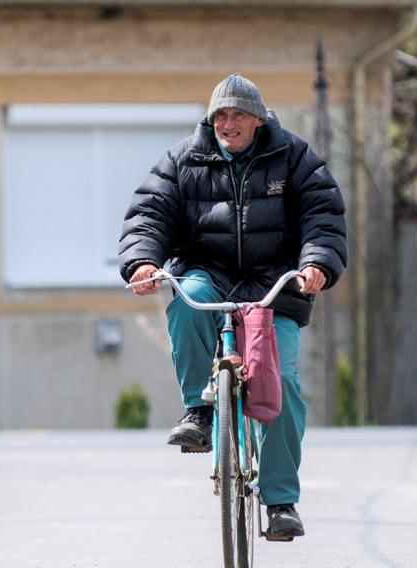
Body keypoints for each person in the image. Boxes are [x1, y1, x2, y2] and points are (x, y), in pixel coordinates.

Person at [118, 73, 347, 541]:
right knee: (188, 298)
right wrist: (142, 262)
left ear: (258, 120)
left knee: (279, 380)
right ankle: (198, 414)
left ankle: (280, 500)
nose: (228, 123)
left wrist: (317, 263)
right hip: (210, 271)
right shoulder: (184, 159)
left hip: (273, 284)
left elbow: (322, 215)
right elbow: (150, 212)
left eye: (238, 114)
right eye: (220, 115)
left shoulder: (295, 158)